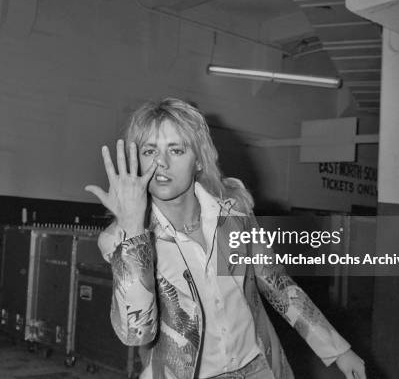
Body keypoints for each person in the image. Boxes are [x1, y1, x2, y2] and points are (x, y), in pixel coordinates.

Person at [85, 98, 366, 379]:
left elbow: (278, 286)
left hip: (260, 368)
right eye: (149, 150)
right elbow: (137, 334)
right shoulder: (119, 239)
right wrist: (134, 229)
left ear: (198, 161)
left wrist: (337, 350)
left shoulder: (232, 215)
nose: (161, 163)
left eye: (176, 149)